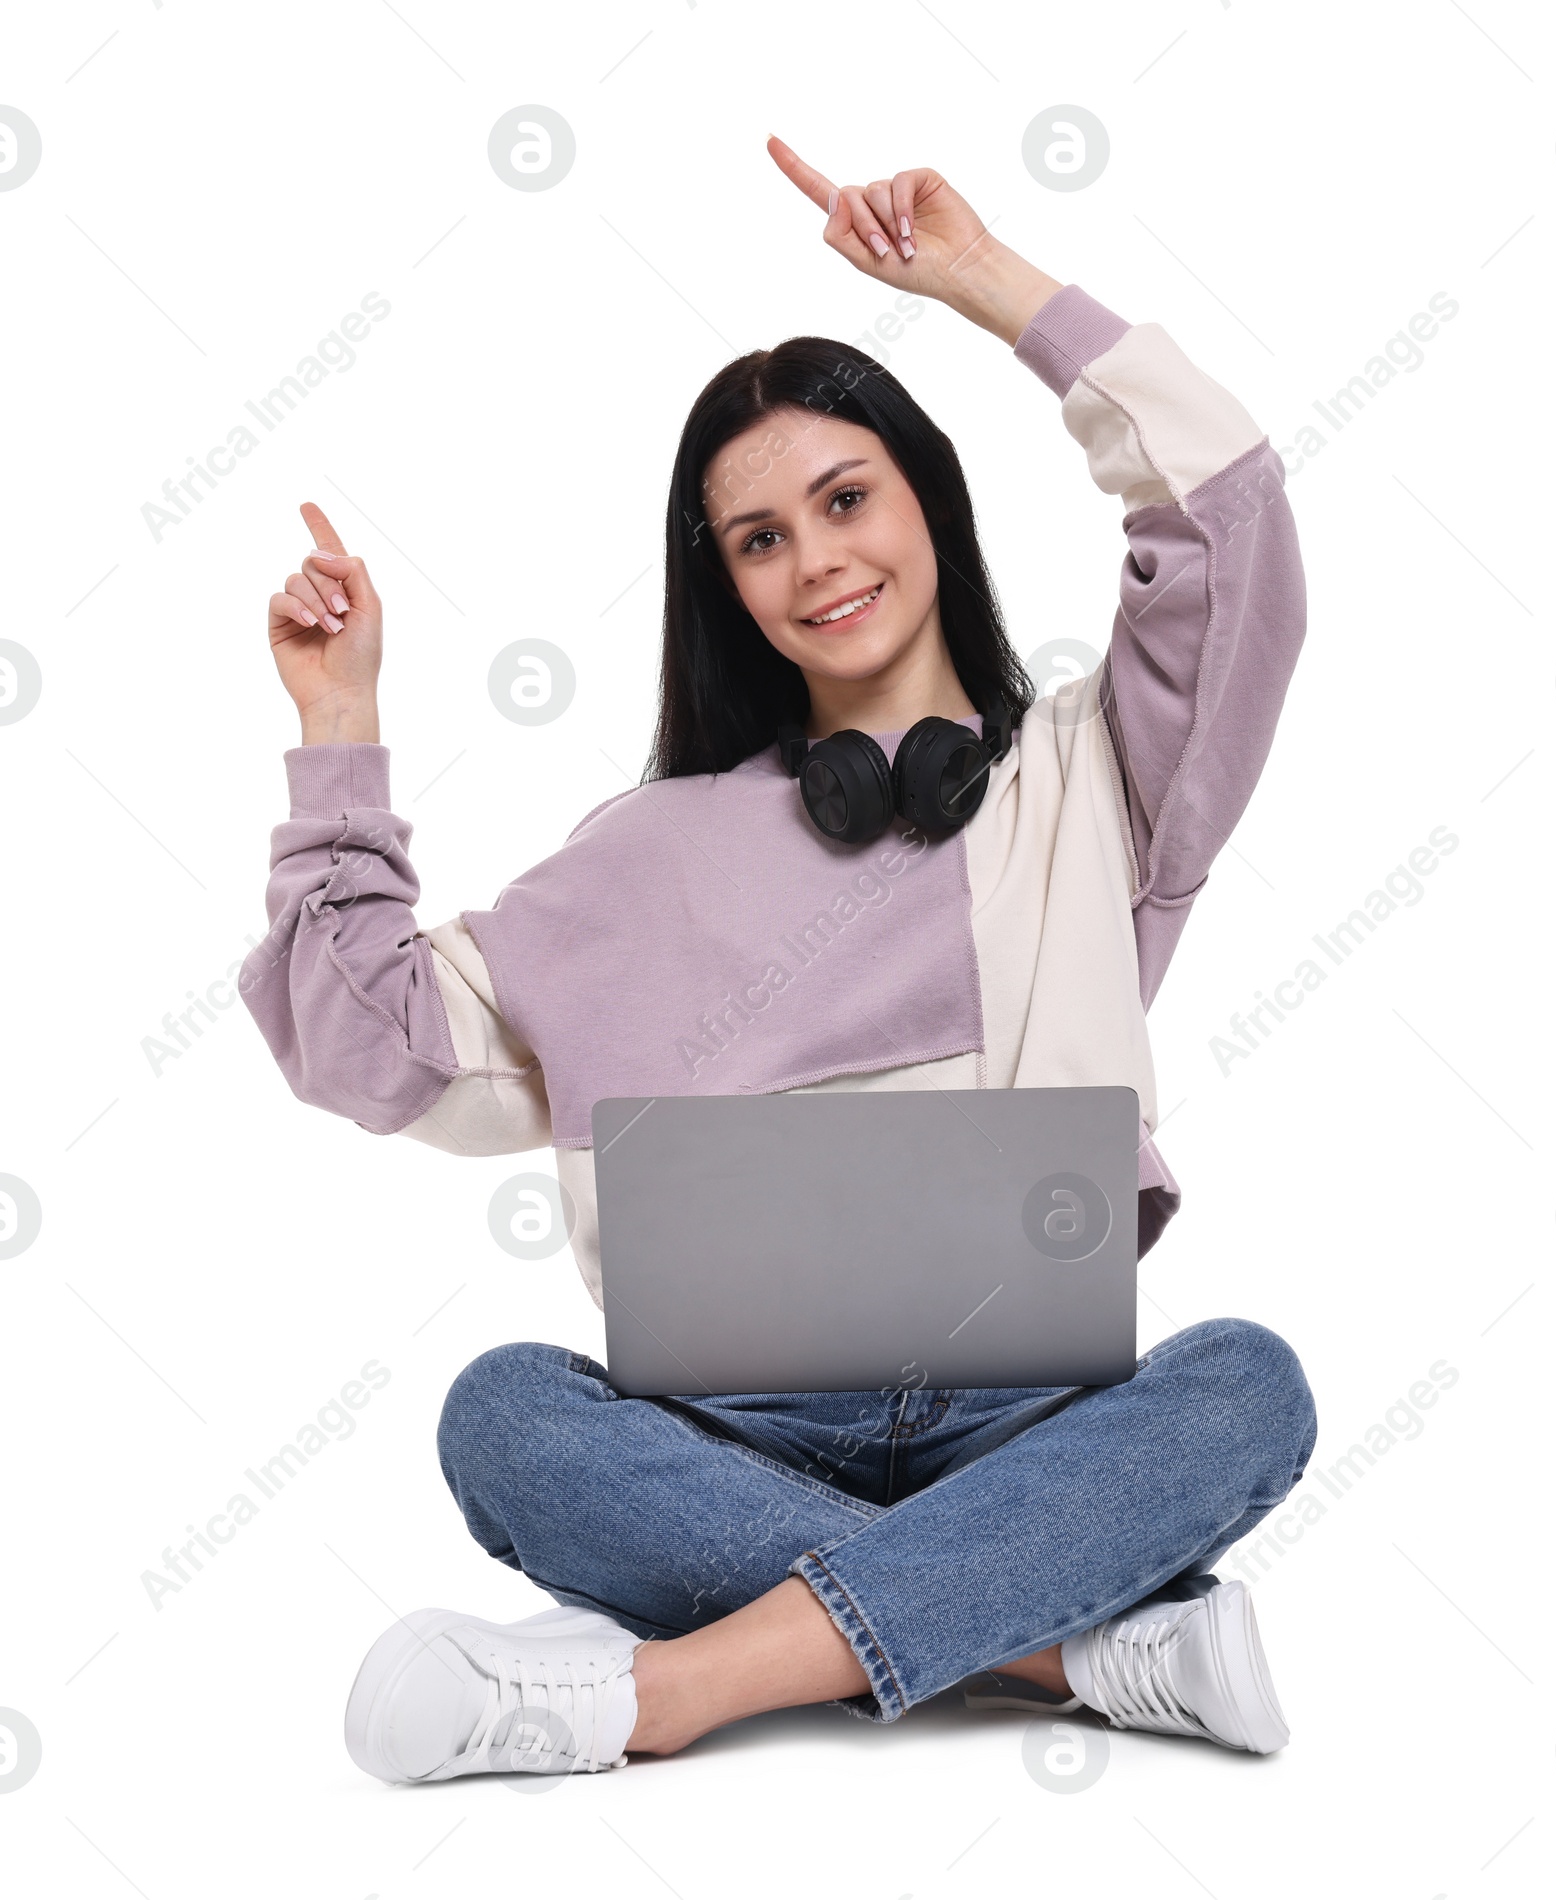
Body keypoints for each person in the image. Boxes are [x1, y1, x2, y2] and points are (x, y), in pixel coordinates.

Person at [241, 137, 1315, 1782]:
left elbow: (1225, 516)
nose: (814, 561)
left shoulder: (1093, 785)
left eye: (844, 498)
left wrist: (987, 285)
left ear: (924, 500)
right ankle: (1069, 1643)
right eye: (755, 540)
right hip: (727, 1438)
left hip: (1026, 1421)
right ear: (724, 588)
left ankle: (662, 1693)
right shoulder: (643, 860)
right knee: (506, 1414)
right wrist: (339, 727)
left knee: (1250, 1388)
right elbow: (369, 1047)